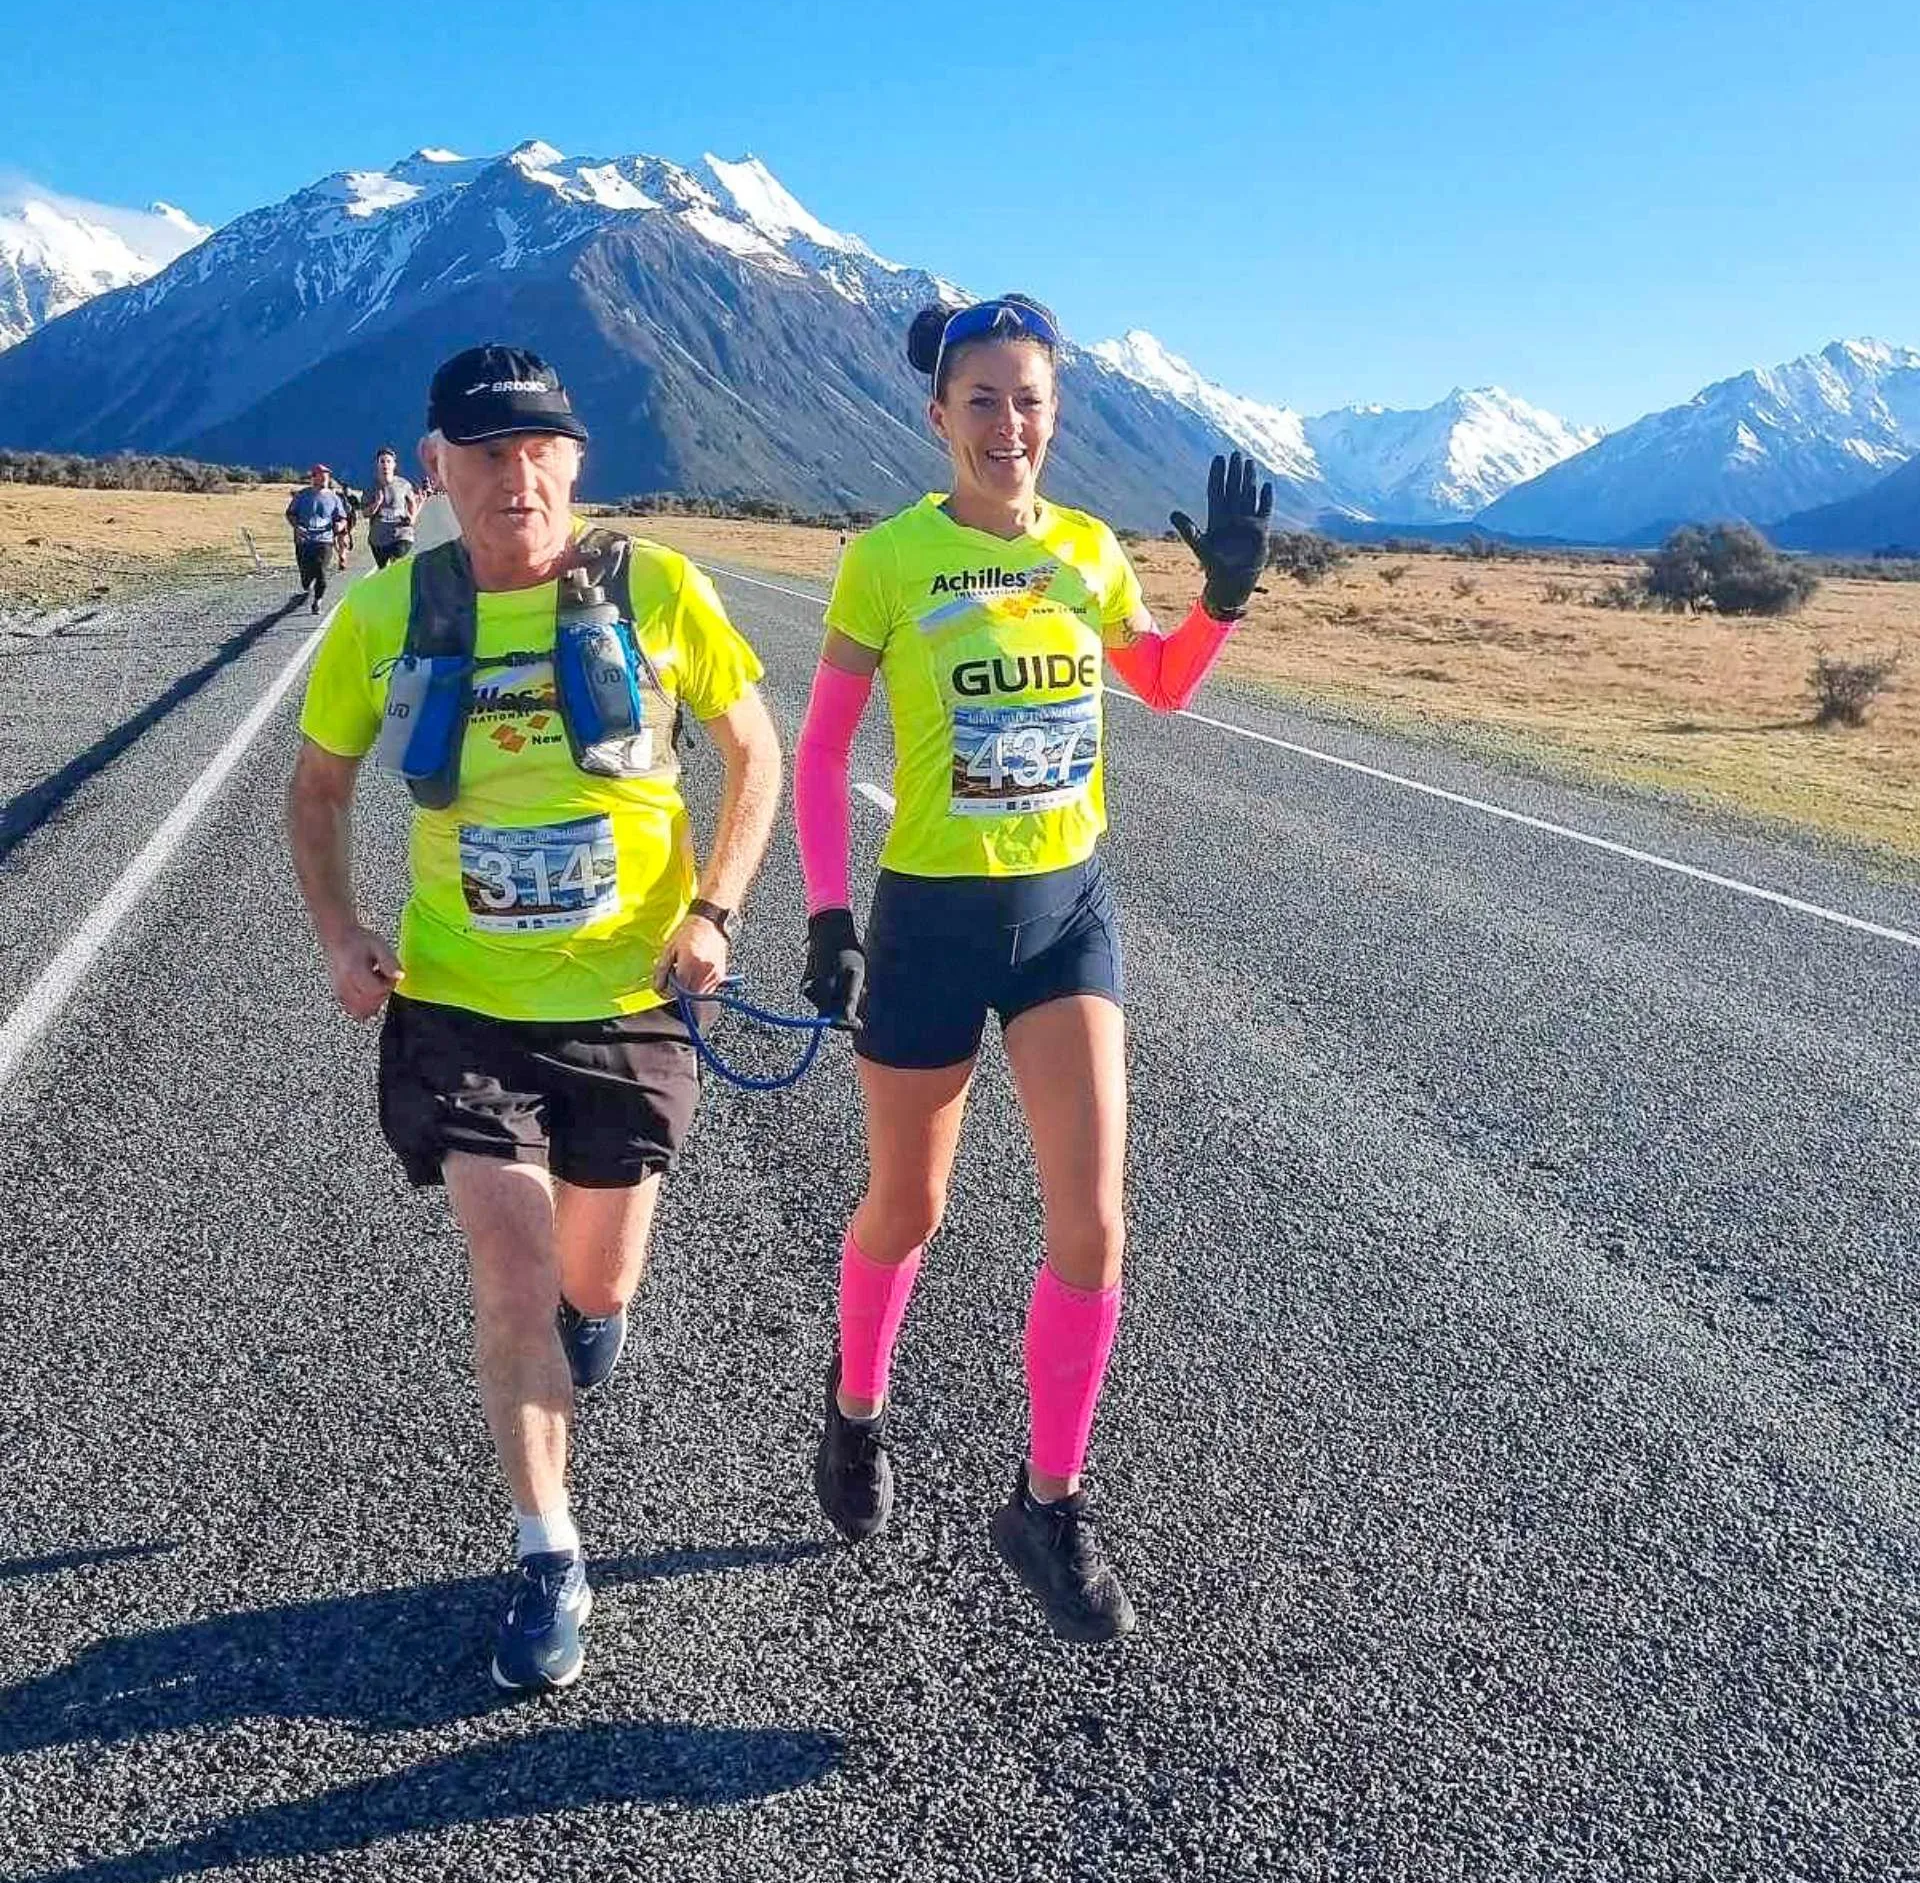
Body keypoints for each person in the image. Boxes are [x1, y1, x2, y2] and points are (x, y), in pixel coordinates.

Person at [287, 344, 782, 1694]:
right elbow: (319, 789)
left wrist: (717, 911)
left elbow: (757, 751)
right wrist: (340, 933)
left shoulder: (660, 590)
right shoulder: (389, 613)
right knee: (507, 1271)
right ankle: (550, 1555)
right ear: (434, 467)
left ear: (575, 462)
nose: (516, 479)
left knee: (593, 1288)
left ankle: (580, 1333)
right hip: (461, 1006)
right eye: (485, 455)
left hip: (627, 1001)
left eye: (538, 452)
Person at [793, 296, 1270, 1643]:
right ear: (939, 416)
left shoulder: (1087, 550)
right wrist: (830, 915)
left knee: (1095, 1219)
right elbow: (824, 749)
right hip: (934, 920)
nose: (1012, 425)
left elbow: (1162, 684)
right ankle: (857, 1408)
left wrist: (1220, 599)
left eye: (1033, 400)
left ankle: (1048, 1499)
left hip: (1068, 915)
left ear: (1059, 416)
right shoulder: (887, 561)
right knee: (910, 1206)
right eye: (985, 400)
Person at [286, 463, 349, 612]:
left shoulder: (334, 498)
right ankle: (307, 581)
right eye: (321, 477)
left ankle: (318, 600)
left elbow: (342, 517)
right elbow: (290, 514)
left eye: (326, 477)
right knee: (306, 576)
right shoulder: (302, 496)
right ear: (313, 478)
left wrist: (340, 525)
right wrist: (297, 527)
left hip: (325, 540)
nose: (324, 480)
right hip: (304, 541)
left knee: (321, 571)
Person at [366, 446, 421, 567]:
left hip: (401, 533)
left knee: (397, 561)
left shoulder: (403, 484)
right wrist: (377, 504)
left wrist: (412, 518)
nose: (385, 464)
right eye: (382, 461)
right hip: (378, 539)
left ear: (394, 465)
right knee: (383, 571)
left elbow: (412, 502)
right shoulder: (371, 488)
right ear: (378, 465)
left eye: (388, 461)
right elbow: (365, 513)